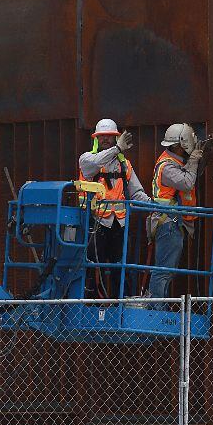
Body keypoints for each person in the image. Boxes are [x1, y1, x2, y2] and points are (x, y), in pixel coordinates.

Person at [77, 118, 150, 298]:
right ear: (96, 138)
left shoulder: (124, 164)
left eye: (110, 136)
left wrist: (153, 205)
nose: (105, 140)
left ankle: (120, 307)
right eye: (102, 137)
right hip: (95, 224)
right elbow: (97, 163)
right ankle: (95, 307)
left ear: (115, 138)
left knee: (122, 269)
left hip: (120, 224)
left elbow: (136, 192)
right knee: (95, 269)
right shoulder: (87, 160)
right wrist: (117, 149)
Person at [148, 123, 209, 301]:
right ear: (179, 144)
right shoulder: (167, 167)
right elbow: (187, 183)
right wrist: (194, 161)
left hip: (171, 222)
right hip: (168, 223)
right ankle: (157, 309)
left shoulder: (173, 162)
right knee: (164, 271)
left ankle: (158, 306)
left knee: (167, 270)